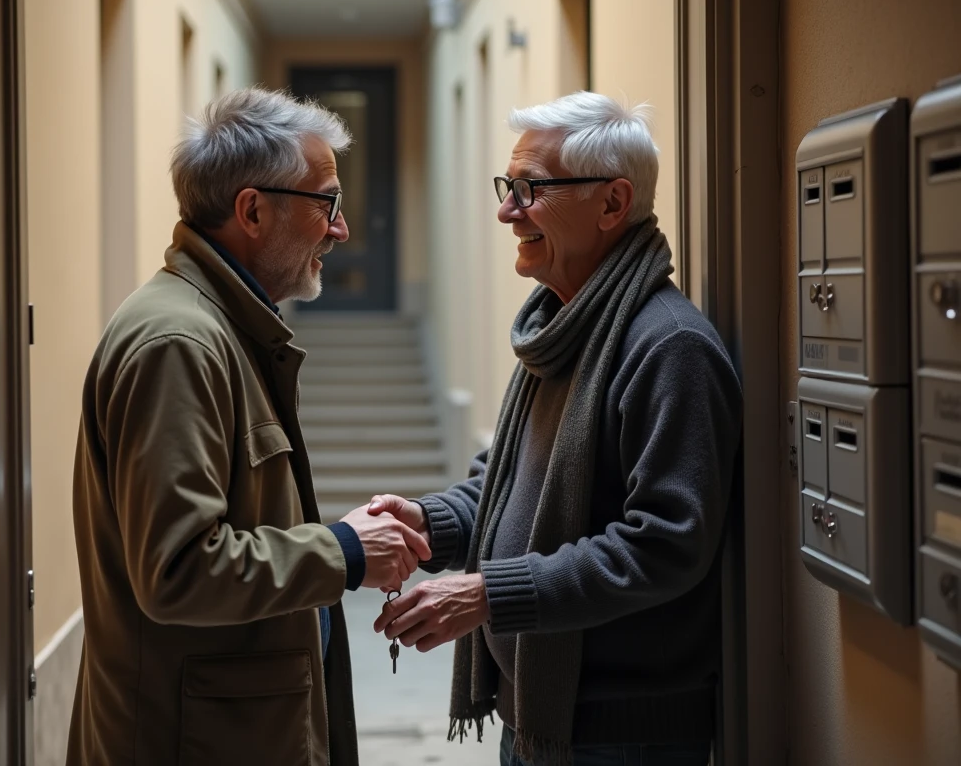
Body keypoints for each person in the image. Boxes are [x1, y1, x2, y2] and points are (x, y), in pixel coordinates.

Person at [370, 91, 742, 766]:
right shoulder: (562, 328)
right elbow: (506, 481)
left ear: (612, 202)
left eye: (530, 189)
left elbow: (666, 544)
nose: (507, 210)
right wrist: (431, 524)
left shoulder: (669, 345)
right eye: (507, 187)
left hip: (623, 737)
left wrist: (491, 592)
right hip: (545, 718)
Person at [67, 87, 431, 766]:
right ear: (253, 211)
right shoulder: (179, 343)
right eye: (327, 204)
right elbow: (177, 569)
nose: (341, 230)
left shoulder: (223, 327)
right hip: (192, 741)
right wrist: (344, 553)